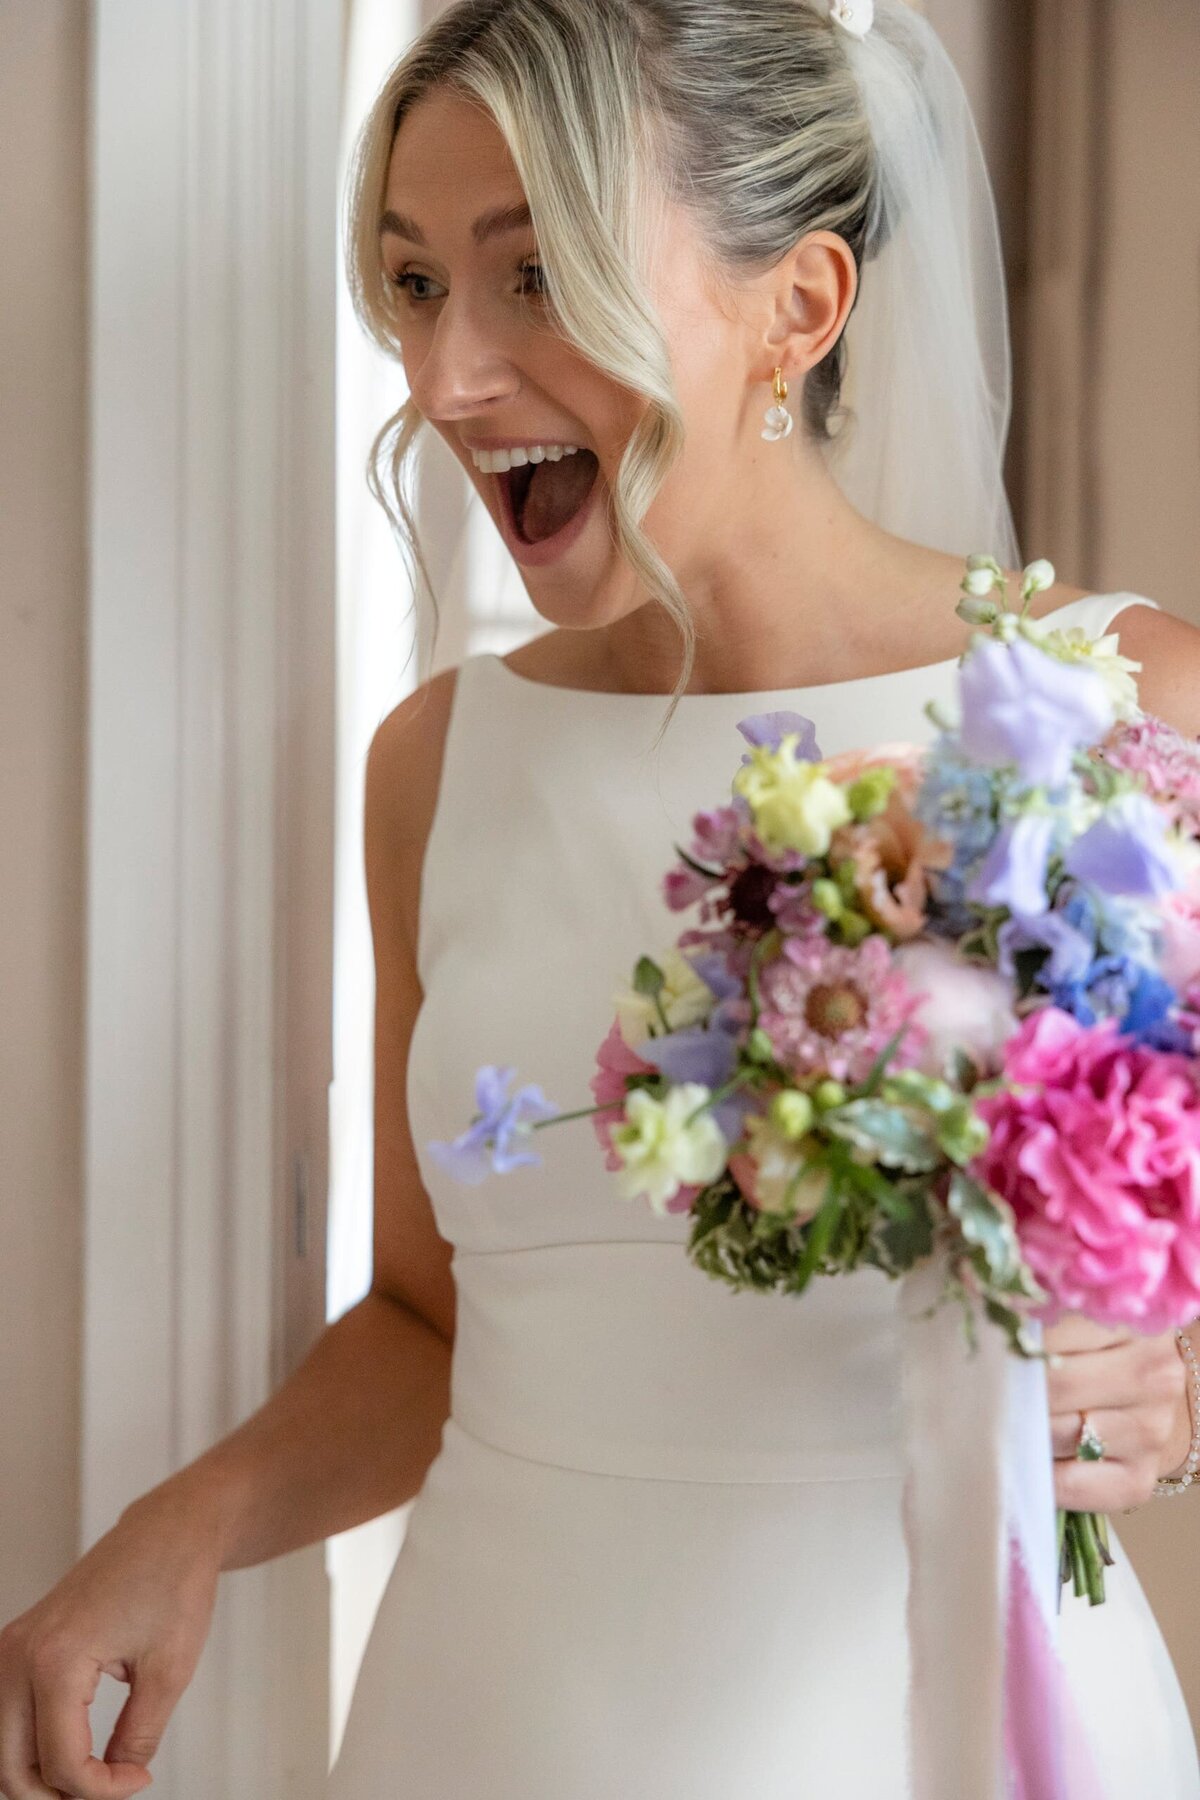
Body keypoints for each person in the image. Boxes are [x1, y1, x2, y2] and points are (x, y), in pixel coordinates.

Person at [2, 1, 1199, 1794]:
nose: (444, 379)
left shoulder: (1127, 715)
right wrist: (183, 1527)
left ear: (799, 307)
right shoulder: (438, 766)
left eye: (539, 275)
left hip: (930, 1730)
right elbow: (432, 1324)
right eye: (416, 285)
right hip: (490, 1716)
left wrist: (1170, 1394)